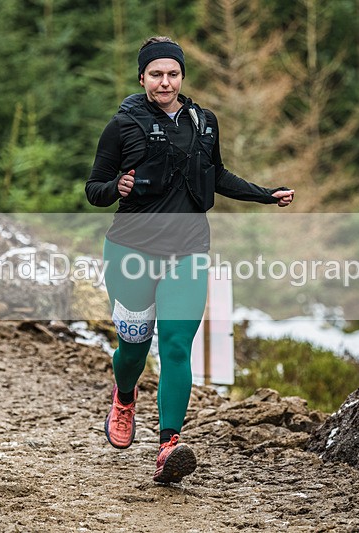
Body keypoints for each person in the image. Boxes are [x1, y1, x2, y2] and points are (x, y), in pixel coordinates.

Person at [86, 36, 294, 484]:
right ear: (142, 78)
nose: (165, 81)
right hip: (131, 252)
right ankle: (124, 398)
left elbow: (216, 174)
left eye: (173, 73)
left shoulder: (204, 121)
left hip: (189, 251)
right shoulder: (122, 126)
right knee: (133, 347)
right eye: (156, 74)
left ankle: (168, 446)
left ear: (182, 76)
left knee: (177, 345)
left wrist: (264, 194)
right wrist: (115, 188)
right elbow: (94, 188)